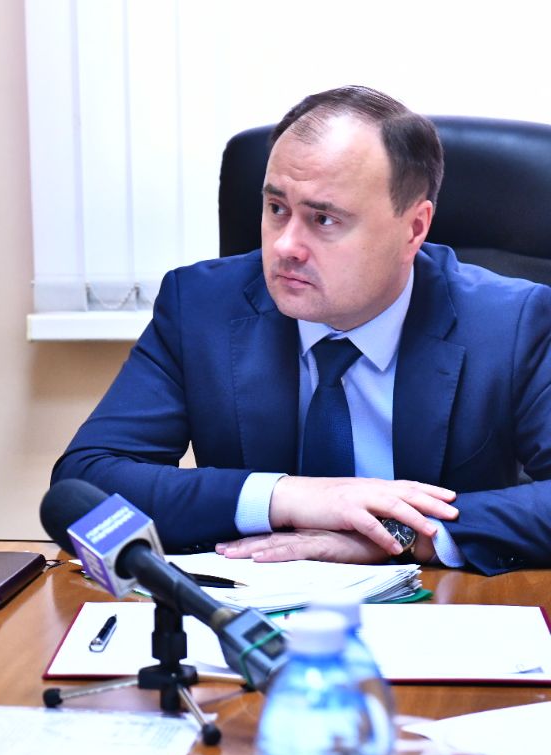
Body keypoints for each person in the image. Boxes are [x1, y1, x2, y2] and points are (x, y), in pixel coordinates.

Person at [53, 85, 551, 575]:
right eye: (277, 209)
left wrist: (405, 535)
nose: (285, 245)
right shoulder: (200, 307)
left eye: (324, 219)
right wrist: (288, 497)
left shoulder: (509, 323)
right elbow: (85, 484)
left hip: (446, 608)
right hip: (250, 603)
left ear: (414, 229)